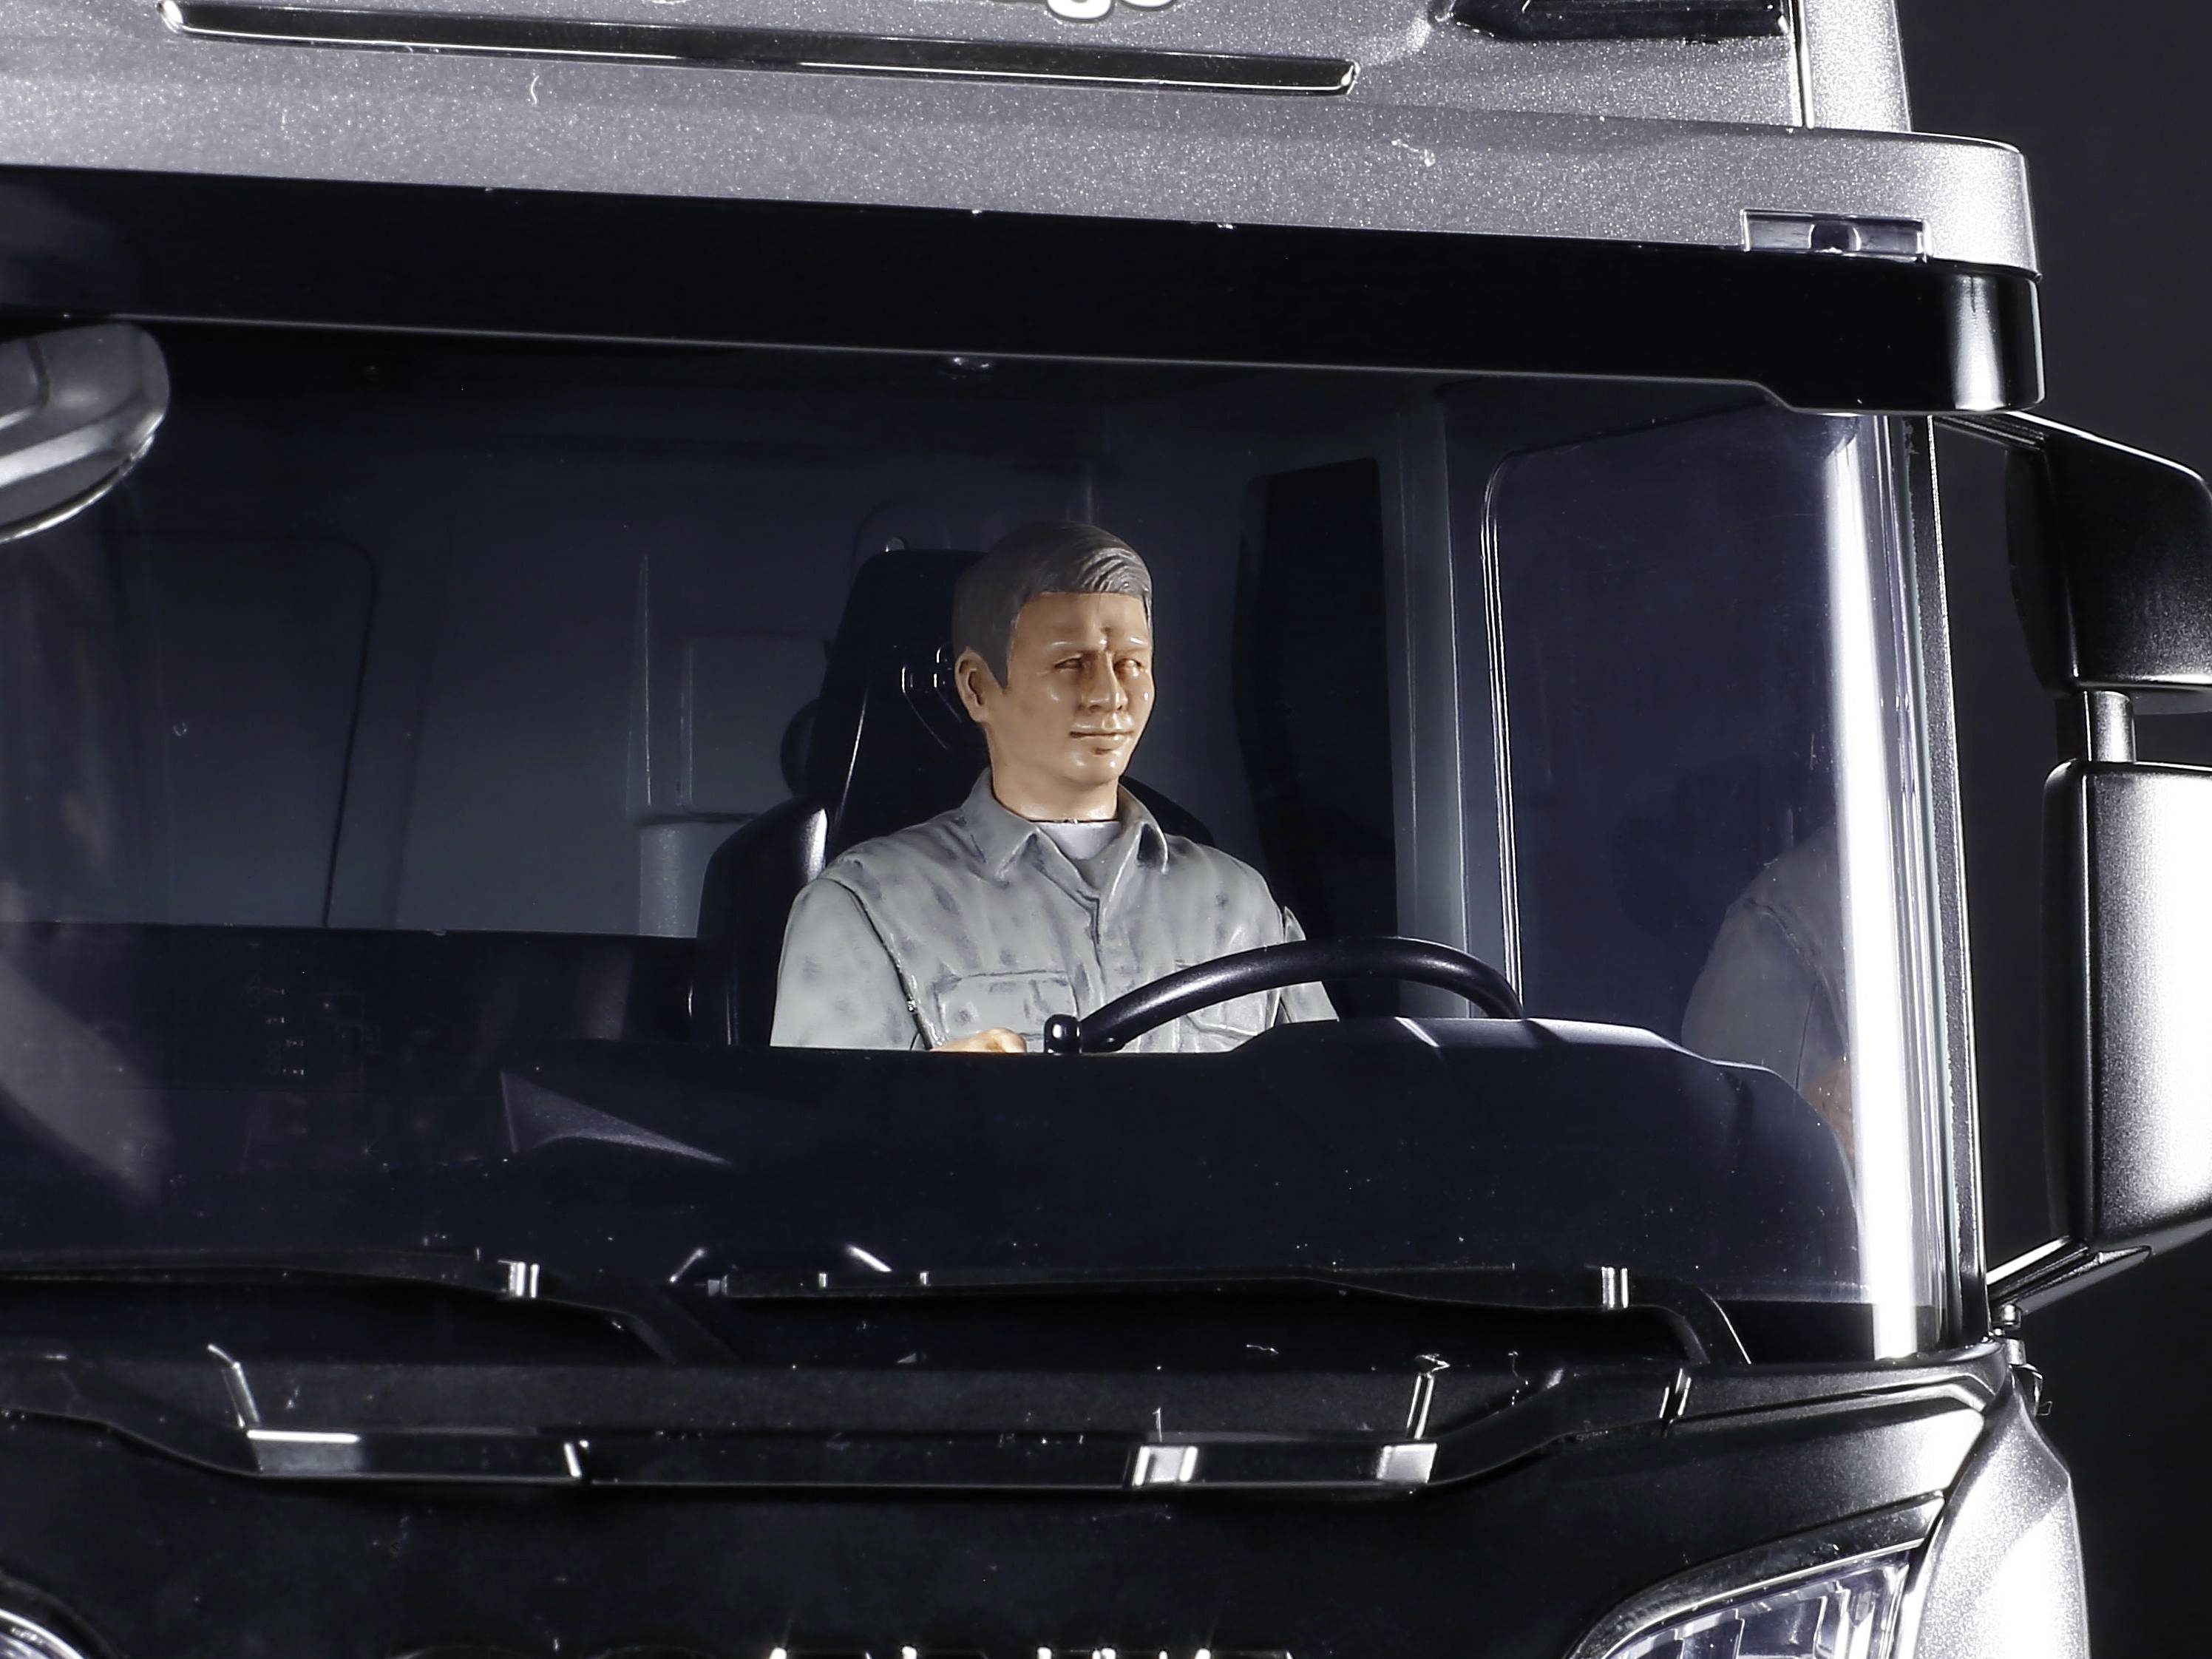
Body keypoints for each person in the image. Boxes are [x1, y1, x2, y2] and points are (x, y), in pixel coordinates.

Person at [771, 521, 1334, 1053]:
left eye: (1132, 664)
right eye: (1071, 664)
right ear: (977, 688)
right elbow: (822, 1139)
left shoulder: (1239, 904)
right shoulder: (868, 910)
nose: (1109, 695)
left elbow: (1334, 1115)